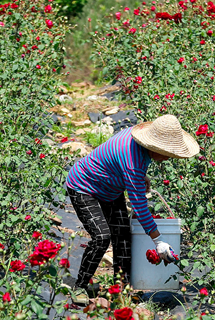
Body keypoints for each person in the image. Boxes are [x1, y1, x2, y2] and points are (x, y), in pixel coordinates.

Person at [64, 114, 198, 305]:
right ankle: (80, 286)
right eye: (167, 152)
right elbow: (140, 207)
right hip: (84, 187)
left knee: (123, 237)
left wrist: (139, 177)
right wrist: (159, 241)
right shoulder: (133, 159)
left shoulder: (140, 142)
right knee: (102, 237)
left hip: (110, 187)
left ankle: (122, 289)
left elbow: (123, 165)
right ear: (155, 146)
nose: (169, 157)